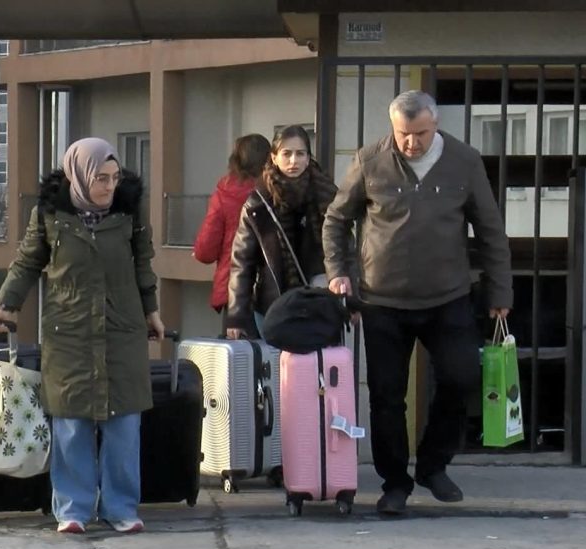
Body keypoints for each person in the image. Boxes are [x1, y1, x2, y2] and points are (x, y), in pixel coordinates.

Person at [322, 90, 513, 515]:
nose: (411, 143)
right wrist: (339, 274)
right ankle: (395, 484)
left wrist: (500, 292)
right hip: (382, 300)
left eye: (420, 134)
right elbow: (336, 219)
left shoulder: (464, 161)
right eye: (403, 134)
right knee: (387, 396)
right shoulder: (370, 160)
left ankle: (433, 464)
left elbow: (490, 230)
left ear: (436, 125)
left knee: (462, 377)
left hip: (448, 297)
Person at [0, 137, 165, 535]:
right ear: (78, 176)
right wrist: (7, 304)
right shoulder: (50, 213)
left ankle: (121, 507)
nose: (109, 187)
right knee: (71, 423)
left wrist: (152, 312)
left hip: (122, 328)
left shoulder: (129, 211)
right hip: (68, 329)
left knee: (123, 423)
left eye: (114, 178)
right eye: (100, 178)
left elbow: (143, 264)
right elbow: (27, 261)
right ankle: (73, 508)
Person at [224, 125, 338, 339]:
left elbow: (343, 249)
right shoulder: (258, 203)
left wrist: (351, 300)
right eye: (286, 154)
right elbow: (242, 263)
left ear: (308, 158)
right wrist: (236, 316)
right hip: (272, 305)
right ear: (274, 158)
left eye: (300, 154)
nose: (293, 161)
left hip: (318, 304)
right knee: (277, 370)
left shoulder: (327, 195)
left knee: (315, 369)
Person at [193, 134, 271, 322]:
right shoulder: (274, 191)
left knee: (237, 350)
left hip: (234, 289)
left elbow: (206, 252)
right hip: (272, 286)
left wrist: (198, 252)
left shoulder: (224, 194)